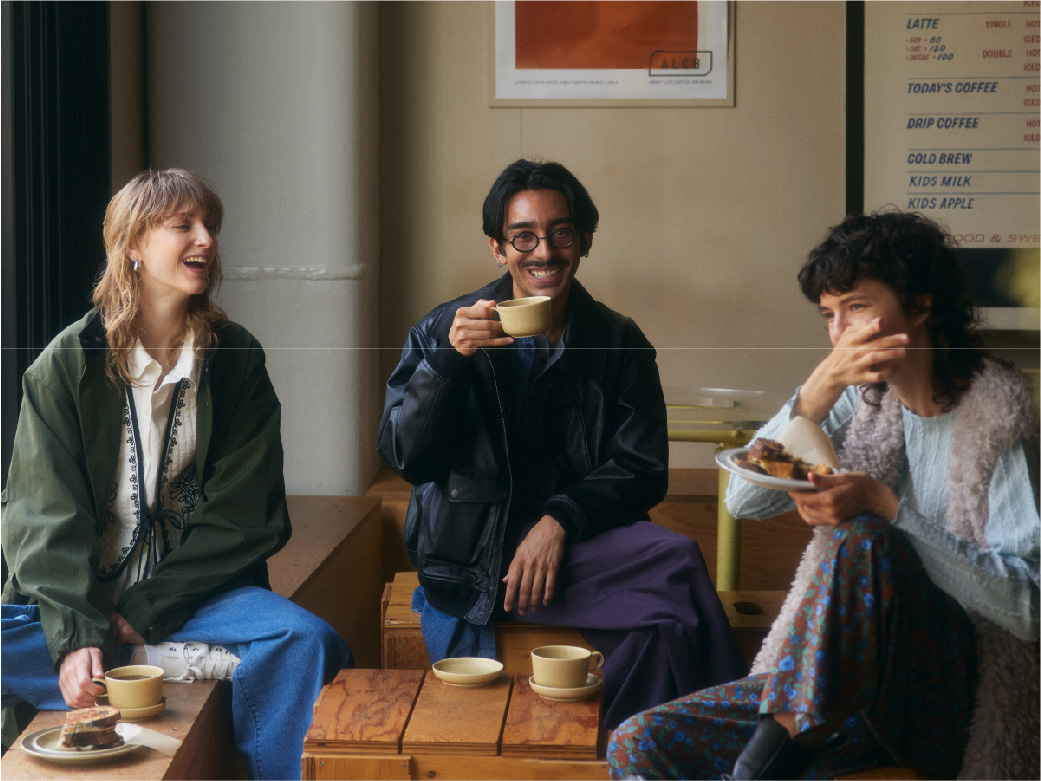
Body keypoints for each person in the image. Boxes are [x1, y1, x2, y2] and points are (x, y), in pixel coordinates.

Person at [608, 211, 1040, 779]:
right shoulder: (863, 400)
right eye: (829, 315)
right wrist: (818, 390)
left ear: (920, 305)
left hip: (950, 696)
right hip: (840, 690)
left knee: (864, 536)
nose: (841, 334)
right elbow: (744, 501)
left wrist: (888, 508)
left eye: (856, 307)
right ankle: (779, 750)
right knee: (640, 742)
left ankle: (767, 760)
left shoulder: (998, 418)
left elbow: (1030, 607)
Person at [1, 169, 353, 779]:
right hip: (76, 599)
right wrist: (77, 634)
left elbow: (248, 512)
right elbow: (41, 512)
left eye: (210, 226)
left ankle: (142, 655)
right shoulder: (66, 364)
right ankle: (177, 660)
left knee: (307, 643)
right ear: (133, 243)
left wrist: (148, 606)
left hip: (197, 598)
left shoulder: (236, 359)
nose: (206, 240)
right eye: (183, 225)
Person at [377, 158, 747, 731]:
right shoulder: (445, 329)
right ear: (498, 248)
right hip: (476, 554)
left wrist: (559, 520)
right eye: (523, 236)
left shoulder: (618, 341)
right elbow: (407, 457)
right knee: (675, 580)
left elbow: (643, 468)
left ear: (585, 241)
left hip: (579, 542)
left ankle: (648, 747)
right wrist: (449, 361)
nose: (544, 252)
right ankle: (730, 735)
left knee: (668, 597)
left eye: (561, 233)